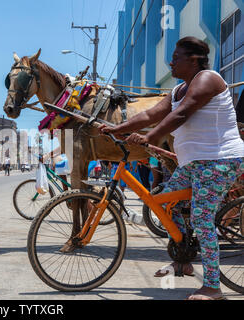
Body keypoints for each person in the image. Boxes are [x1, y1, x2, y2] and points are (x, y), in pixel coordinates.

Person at [99, 36, 244, 300]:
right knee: (163, 203)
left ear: (194, 60)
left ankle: (213, 286)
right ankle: (183, 259)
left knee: (201, 218)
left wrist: (150, 138)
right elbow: (149, 115)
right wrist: (117, 129)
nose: (170, 62)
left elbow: (181, 115)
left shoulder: (207, 79)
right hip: (194, 163)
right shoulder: (178, 90)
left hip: (220, 160)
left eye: (176, 57)